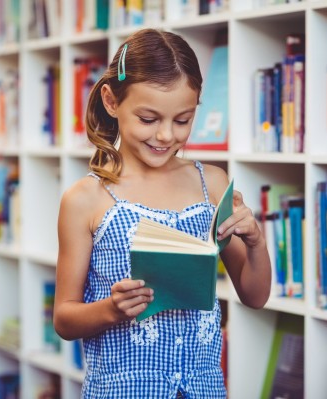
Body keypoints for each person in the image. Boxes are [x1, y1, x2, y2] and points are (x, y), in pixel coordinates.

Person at [54, 28, 271, 398]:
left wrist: (255, 243)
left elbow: (254, 295)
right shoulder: (86, 199)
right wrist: (111, 309)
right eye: (149, 119)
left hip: (204, 389)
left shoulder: (212, 184)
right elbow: (64, 318)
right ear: (111, 100)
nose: (166, 136)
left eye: (183, 120)